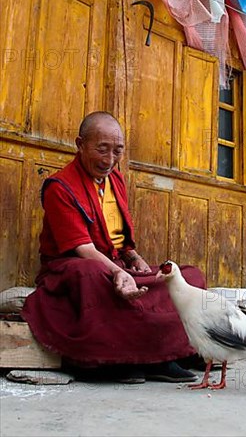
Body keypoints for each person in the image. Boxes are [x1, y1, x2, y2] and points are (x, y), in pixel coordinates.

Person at [22, 111, 206, 384]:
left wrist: (133, 259)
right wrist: (119, 274)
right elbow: (82, 248)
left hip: (114, 264)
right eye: (102, 150)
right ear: (79, 144)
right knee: (91, 276)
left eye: (117, 151)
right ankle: (120, 360)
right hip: (71, 268)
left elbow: (121, 239)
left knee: (188, 275)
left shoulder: (116, 180)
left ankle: (162, 356)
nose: (109, 161)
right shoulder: (59, 187)